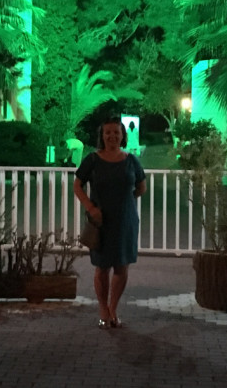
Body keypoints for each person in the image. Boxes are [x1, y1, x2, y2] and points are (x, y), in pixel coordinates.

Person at [73, 117, 146, 329]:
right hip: (101, 221)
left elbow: (141, 187)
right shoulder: (93, 160)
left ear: (123, 135)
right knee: (102, 266)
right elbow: (77, 185)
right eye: (108, 132)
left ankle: (113, 309)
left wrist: (124, 200)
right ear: (102, 136)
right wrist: (91, 207)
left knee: (121, 266)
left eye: (116, 132)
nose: (112, 136)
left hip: (125, 220)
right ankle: (103, 308)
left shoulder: (131, 161)